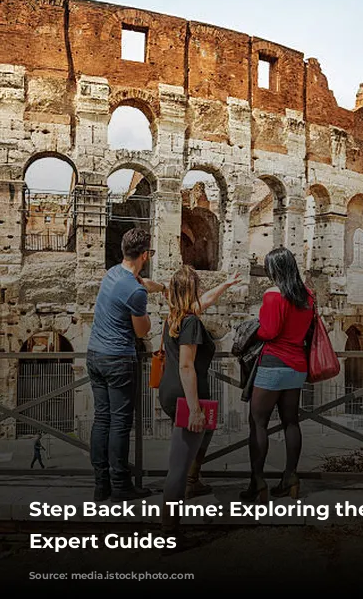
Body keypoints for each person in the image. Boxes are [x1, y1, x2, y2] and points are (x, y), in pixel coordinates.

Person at [159, 265, 242, 539]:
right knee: (178, 468)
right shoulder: (192, 322)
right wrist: (195, 409)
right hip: (186, 395)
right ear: (192, 290)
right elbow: (186, 366)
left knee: (197, 443)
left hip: (171, 392)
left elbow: (203, 303)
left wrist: (226, 285)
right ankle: (170, 533)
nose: (203, 291)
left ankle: (191, 486)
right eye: (199, 286)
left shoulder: (176, 316)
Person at [87, 227, 167, 503]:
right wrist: (148, 309)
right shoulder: (135, 292)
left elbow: (137, 284)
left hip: (94, 355)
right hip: (118, 359)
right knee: (121, 423)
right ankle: (121, 485)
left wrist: (157, 287)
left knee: (102, 419)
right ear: (145, 255)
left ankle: (102, 485)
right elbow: (142, 331)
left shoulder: (112, 274)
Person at [240, 247, 314, 503]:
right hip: (297, 365)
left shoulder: (274, 295)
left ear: (275, 270)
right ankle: (290, 477)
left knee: (258, 423)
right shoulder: (307, 296)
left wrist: (253, 328)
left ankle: (257, 483)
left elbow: (269, 332)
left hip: (273, 363)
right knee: (291, 422)